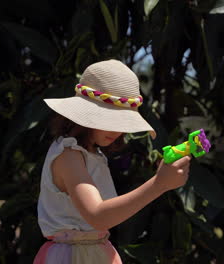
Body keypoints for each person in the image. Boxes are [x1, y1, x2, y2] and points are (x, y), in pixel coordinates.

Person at [34, 59, 191, 264]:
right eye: (109, 120)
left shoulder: (91, 155)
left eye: (121, 123)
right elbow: (98, 217)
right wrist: (158, 184)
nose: (117, 131)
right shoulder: (69, 156)